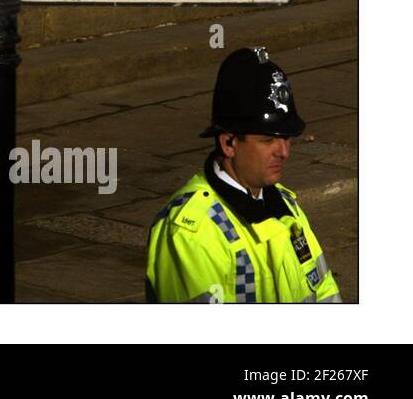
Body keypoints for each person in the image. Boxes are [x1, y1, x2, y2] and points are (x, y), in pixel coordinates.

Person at [146, 46, 341, 303]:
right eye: (267, 140)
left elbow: (325, 293)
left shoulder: (286, 205)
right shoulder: (192, 231)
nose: (283, 152)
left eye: (286, 138)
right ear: (228, 143)